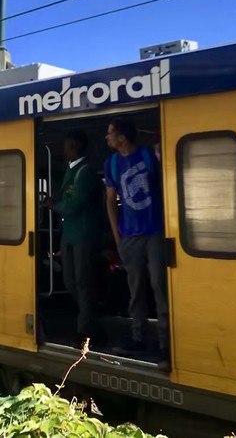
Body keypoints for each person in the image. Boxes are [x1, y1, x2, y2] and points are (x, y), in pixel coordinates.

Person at [103, 118, 169, 361]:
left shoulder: (149, 155)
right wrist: (117, 237)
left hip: (155, 231)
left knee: (160, 286)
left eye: (111, 133)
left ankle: (166, 342)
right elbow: (110, 201)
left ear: (122, 137)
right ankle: (138, 337)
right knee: (136, 289)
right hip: (129, 235)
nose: (107, 137)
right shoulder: (111, 163)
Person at [45, 130, 105, 346]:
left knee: (82, 281)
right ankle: (90, 317)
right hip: (70, 236)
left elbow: (74, 205)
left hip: (84, 235)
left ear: (74, 147)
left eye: (66, 146)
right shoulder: (71, 171)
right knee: (71, 280)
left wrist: (54, 206)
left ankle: (86, 329)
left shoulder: (85, 172)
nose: (64, 150)